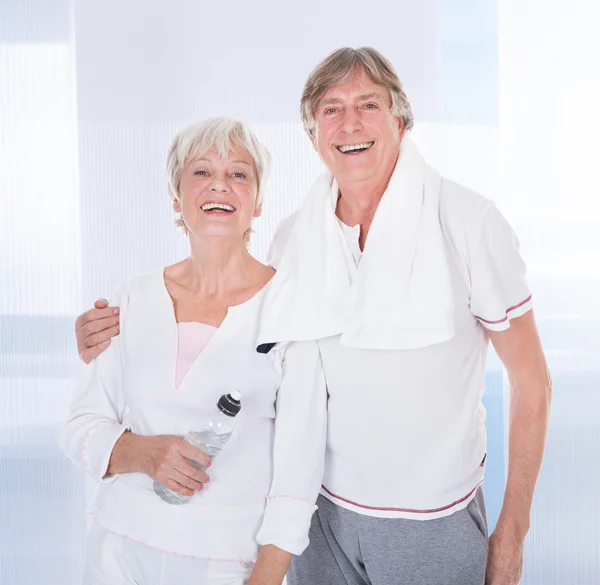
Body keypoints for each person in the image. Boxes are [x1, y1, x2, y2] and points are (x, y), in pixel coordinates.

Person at [75, 48, 552, 585]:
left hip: (428, 519)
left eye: (368, 104)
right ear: (312, 136)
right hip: (321, 519)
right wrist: (107, 337)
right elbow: (247, 348)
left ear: (401, 119)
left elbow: (531, 380)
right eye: (331, 109)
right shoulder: (294, 238)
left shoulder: (468, 222)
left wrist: (512, 532)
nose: (350, 123)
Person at [61, 117, 327, 585]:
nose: (219, 185)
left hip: (223, 563)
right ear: (177, 197)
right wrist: (142, 453)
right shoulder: (132, 299)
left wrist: (265, 578)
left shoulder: (288, 312)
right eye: (201, 172)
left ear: (259, 202)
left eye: (239, 174)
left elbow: (298, 475)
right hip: (116, 552)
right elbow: (80, 426)